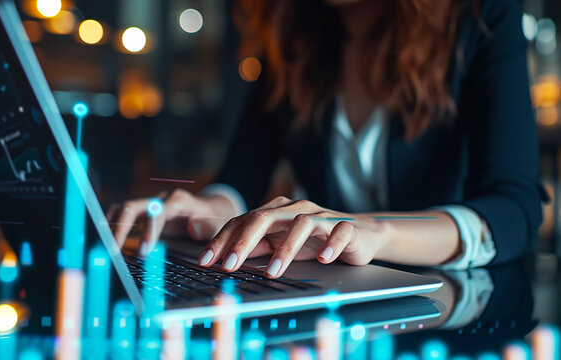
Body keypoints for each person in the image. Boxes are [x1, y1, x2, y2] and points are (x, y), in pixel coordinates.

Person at [109, 0, 545, 279]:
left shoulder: (482, 17)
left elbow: (513, 208)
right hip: (328, 298)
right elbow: (242, 177)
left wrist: (372, 231)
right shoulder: (294, 32)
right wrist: (213, 208)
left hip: (460, 304)